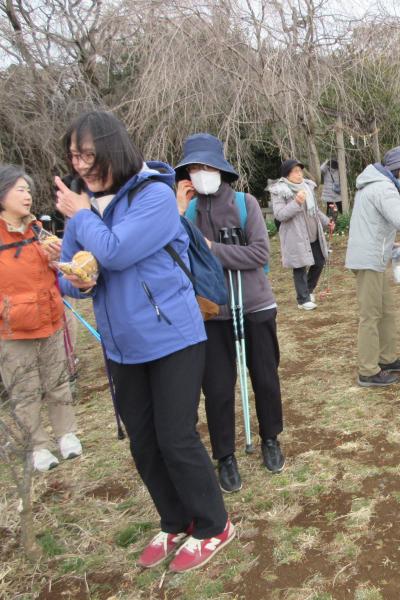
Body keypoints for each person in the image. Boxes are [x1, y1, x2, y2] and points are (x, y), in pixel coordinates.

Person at [55, 112, 232, 573]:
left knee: (175, 436)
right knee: (144, 442)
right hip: (120, 344)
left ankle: (214, 525)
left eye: (87, 154)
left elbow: (115, 251)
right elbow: (71, 273)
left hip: (172, 335)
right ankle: (175, 520)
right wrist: (78, 280)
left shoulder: (153, 194)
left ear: (112, 150)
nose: (80, 164)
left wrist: (82, 214)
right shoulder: (85, 207)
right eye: (74, 156)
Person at [174, 133, 287, 491]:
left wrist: (212, 249)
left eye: (206, 166)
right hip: (211, 313)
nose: (201, 173)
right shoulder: (188, 212)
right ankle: (225, 455)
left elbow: (259, 254)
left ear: (220, 169)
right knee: (218, 388)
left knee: (265, 377)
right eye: (193, 168)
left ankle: (270, 438)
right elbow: (175, 256)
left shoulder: (245, 203)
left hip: (255, 305)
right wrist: (178, 211)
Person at [0, 165, 81, 472]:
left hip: (50, 319)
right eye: (20, 190)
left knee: (58, 381)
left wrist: (57, 258)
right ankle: (37, 446)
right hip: (14, 330)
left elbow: (57, 270)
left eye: (28, 190)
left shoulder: (38, 230)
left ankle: (66, 433)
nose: (27, 196)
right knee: (25, 391)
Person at [345, 146, 400, 387]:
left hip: (372, 256)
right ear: (397, 167)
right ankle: (368, 370)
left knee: (386, 311)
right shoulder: (383, 187)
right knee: (370, 315)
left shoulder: (374, 185)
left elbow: (372, 224)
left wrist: (389, 244)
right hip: (368, 260)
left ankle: (386, 358)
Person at [269, 159, 333, 310]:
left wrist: (327, 221)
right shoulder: (279, 191)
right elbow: (280, 215)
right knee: (299, 266)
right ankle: (303, 300)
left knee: (319, 261)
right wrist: (296, 202)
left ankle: (308, 291)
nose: (299, 174)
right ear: (287, 175)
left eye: (300, 171)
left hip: (313, 233)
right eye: (295, 172)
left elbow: (315, 210)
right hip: (295, 235)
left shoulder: (307, 187)